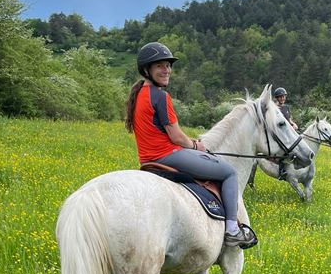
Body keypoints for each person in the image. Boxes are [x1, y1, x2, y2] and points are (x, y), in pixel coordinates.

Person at [125, 42, 256, 248]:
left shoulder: (139, 93)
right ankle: (232, 229)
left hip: (147, 159)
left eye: (168, 65)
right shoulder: (160, 96)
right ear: (146, 69)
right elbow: (176, 136)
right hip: (167, 155)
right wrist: (196, 145)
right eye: (160, 65)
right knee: (229, 172)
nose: (166, 70)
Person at [272, 87, 297, 181]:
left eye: (284, 96)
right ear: (277, 98)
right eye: (281, 97)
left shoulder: (286, 107)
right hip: (280, 134)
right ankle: (281, 171)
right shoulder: (274, 109)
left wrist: (293, 124)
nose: (283, 98)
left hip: (288, 132)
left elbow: (289, 120)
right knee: (284, 149)